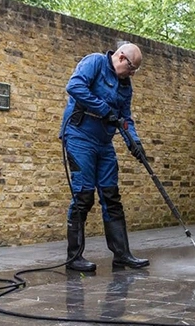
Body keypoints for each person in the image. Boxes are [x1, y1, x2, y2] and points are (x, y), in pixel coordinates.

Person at [59, 42, 149, 272]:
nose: (132, 74)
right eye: (131, 68)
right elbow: (75, 87)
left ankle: (122, 255)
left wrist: (135, 143)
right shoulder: (95, 62)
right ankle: (74, 257)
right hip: (79, 137)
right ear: (121, 58)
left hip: (104, 142)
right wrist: (104, 109)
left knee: (111, 195)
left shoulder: (125, 86)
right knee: (84, 194)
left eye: (135, 71)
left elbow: (125, 118)